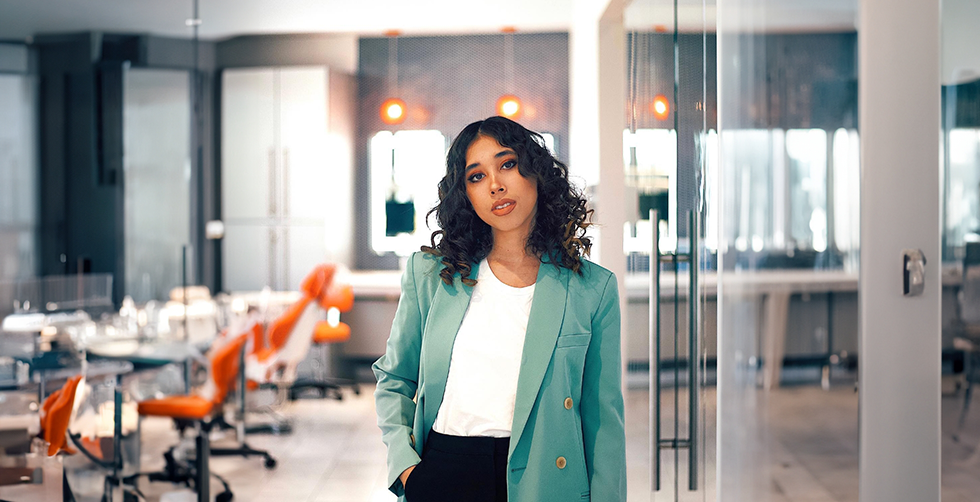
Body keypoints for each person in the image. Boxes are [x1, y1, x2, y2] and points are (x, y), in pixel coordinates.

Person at [373, 116, 626, 502]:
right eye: (476, 176)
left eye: (507, 164)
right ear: (466, 195)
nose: (495, 184)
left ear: (536, 173)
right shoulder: (431, 276)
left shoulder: (592, 289)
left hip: (543, 478)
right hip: (445, 471)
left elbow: (603, 423)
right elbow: (394, 379)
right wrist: (407, 469)